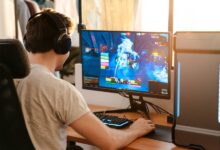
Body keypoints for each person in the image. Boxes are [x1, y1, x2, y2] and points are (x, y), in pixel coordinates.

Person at [16, 9, 155, 150]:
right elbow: (110, 142)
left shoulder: (10, 78)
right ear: (64, 44)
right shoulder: (60, 90)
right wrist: (136, 129)